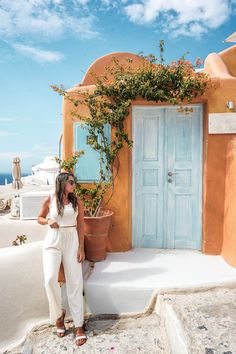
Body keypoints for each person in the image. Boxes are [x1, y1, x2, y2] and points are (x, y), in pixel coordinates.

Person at [38, 172, 87, 347]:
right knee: (50, 279)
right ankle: (59, 316)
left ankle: (79, 325)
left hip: (71, 239)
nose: (74, 185)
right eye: (71, 182)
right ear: (62, 183)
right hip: (53, 240)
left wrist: (81, 247)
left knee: (75, 281)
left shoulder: (77, 201)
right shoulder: (49, 199)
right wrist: (48, 221)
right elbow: (40, 218)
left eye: (74, 181)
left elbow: (81, 225)